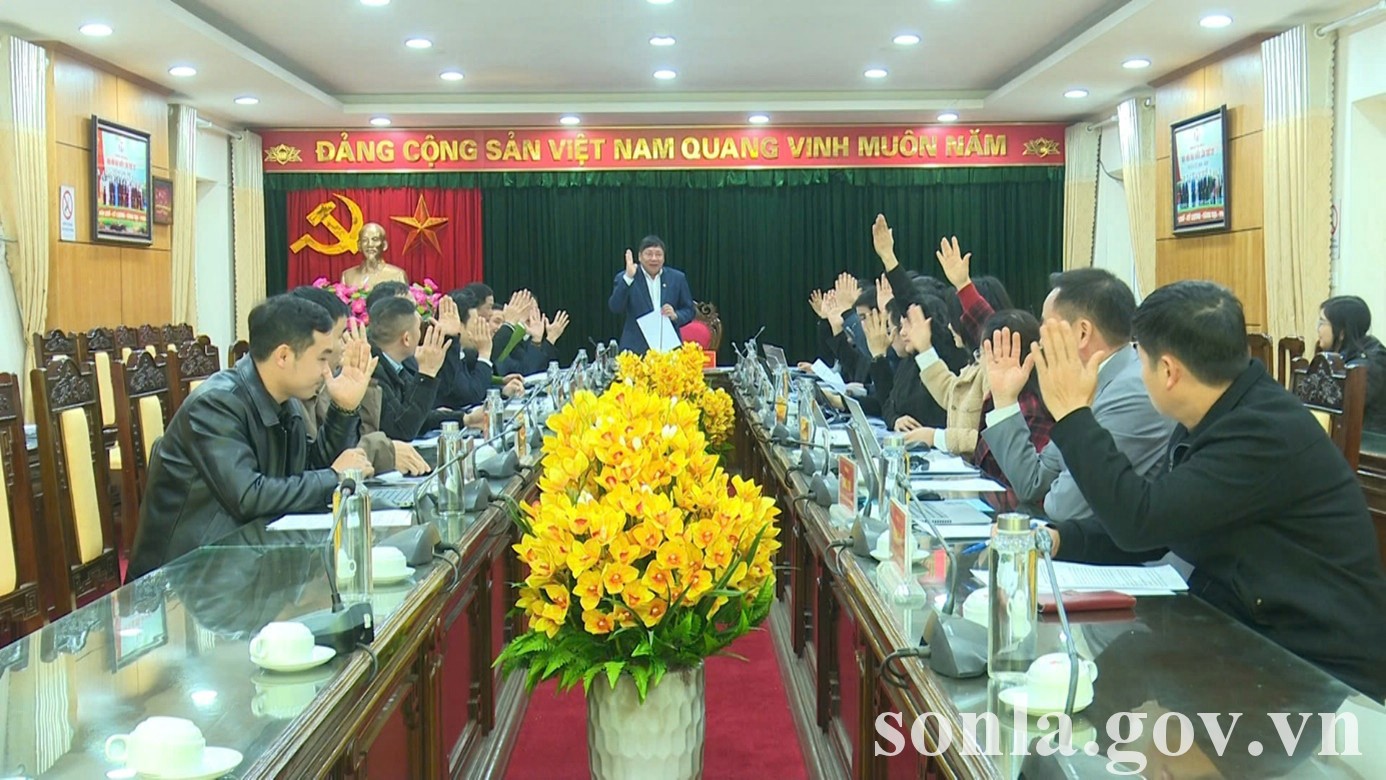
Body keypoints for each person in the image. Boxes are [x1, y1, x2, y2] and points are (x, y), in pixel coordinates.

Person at [1030, 280, 1386, 698]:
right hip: (1244, 635)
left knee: (1092, 695)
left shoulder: (1261, 431)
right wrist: (1063, 538)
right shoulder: (1218, 412)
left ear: (1168, 371)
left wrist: (1074, 415)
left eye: (1140, 361)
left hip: (1319, 673)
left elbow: (1139, 521)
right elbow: (1163, 520)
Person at [128, 295, 376, 579]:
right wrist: (334, 476)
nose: (327, 370)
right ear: (283, 356)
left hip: (245, 561)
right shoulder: (216, 404)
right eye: (321, 358)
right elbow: (248, 496)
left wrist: (343, 409)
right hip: (181, 579)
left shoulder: (286, 401)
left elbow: (310, 470)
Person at [981, 267, 1172, 524]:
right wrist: (1005, 401)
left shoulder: (1132, 394)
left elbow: (1063, 507)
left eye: (1046, 326)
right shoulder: (1089, 384)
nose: (1040, 340)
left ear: (1082, 333)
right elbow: (1032, 482)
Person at [289, 285, 431, 476]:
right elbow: (319, 468)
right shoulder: (293, 395)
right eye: (340, 336)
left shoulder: (326, 382)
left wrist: (362, 385)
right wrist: (379, 451)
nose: (344, 346)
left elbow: (347, 447)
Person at [366, 296, 452, 441]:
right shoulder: (373, 371)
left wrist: (465, 418)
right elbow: (402, 430)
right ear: (407, 339)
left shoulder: (396, 364)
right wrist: (427, 374)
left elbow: (415, 415)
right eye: (419, 328)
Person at [608, 235, 695, 355]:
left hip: (669, 350)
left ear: (664, 258)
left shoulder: (677, 278)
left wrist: (675, 315)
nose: (654, 259)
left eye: (658, 254)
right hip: (635, 351)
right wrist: (628, 278)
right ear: (640, 256)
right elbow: (615, 307)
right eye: (649, 254)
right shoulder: (626, 277)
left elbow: (689, 310)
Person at [1317, 295, 1386, 432]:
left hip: (1369, 439)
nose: (1318, 329)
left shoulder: (1366, 366)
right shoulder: (1342, 355)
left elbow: (1339, 405)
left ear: (1342, 332)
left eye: (1322, 322)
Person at [342, 223, 408, 289]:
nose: (370, 244)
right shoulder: (347, 276)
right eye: (364, 240)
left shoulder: (397, 275)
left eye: (375, 239)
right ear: (359, 245)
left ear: (384, 245)